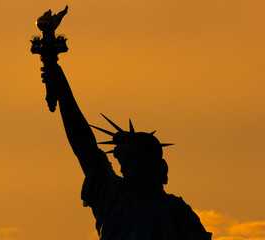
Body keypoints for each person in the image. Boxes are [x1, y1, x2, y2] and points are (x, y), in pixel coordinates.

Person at [38, 7, 211, 240]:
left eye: (130, 162)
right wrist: (56, 74)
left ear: (156, 169)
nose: (122, 168)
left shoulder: (174, 214)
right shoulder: (113, 197)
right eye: (121, 161)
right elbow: (84, 144)